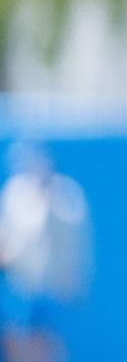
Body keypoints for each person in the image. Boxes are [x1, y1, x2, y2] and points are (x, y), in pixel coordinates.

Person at [0, 141, 91, 362]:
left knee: (44, 338)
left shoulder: (66, 196)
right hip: (17, 282)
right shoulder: (15, 192)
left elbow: (75, 242)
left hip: (50, 285)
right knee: (14, 335)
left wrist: (75, 278)